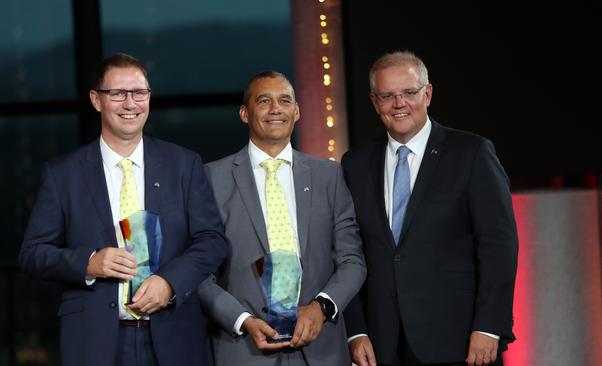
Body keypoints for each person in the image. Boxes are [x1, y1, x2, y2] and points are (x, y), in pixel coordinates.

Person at [19, 53, 229, 366]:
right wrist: (89, 263)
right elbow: (33, 253)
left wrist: (170, 282)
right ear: (96, 100)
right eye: (117, 93)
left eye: (139, 93)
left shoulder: (183, 165)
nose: (130, 103)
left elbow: (212, 241)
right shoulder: (64, 173)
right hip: (95, 341)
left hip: (173, 336)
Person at [342, 51, 518, 366]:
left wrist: (490, 326)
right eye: (388, 96)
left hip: (459, 341)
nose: (399, 104)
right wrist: (355, 331)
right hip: (382, 345)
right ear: (374, 102)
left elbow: (499, 245)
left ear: (428, 93)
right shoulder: (354, 164)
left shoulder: (472, 153)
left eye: (409, 93)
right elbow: (347, 252)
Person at [198, 71, 366, 365]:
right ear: (244, 113)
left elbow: (352, 261)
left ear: (297, 111)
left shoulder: (329, 176)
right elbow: (199, 271)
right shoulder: (211, 178)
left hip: (320, 348)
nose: (276, 109)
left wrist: (320, 308)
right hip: (243, 348)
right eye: (264, 101)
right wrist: (242, 320)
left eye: (284, 101)